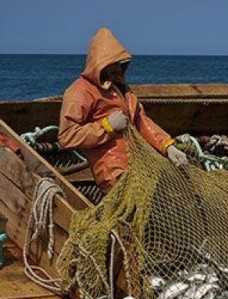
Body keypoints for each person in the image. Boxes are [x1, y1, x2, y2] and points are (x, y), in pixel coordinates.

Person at [58, 27, 188, 194]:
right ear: (99, 63)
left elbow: (141, 121)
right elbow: (67, 136)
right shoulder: (79, 91)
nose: (118, 69)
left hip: (142, 165)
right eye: (113, 64)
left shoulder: (121, 89)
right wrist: (107, 126)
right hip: (114, 173)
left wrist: (167, 146)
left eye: (120, 64)